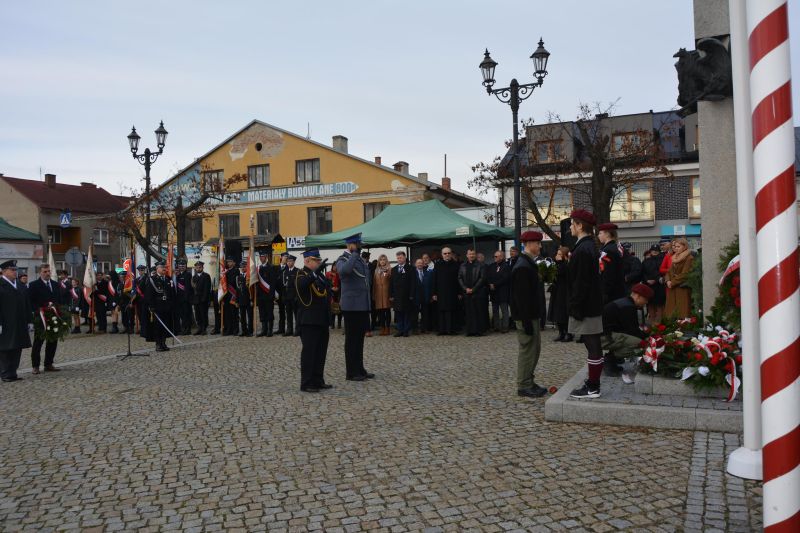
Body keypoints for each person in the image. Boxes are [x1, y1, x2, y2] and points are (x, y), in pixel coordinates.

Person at [567, 209, 605, 399]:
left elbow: (581, 282)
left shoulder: (583, 249)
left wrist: (575, 306)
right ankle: (593, 384)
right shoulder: (588, 246)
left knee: (592, 344)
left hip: (587, 305)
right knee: (593, 344)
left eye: (572, 223)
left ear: (580, 225)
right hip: (591, 303)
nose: (570, 227)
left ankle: (593, 387)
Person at [510, 231, 547, 397]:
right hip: (526, 316)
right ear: (529, 244)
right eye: (538, 243)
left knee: (534, 350)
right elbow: (521, 298)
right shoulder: (523, 266)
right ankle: (524, 385)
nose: (540, 246)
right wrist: (526, 322)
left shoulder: (527, 263)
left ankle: (529, 381)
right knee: (528, 351)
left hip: (531, 315)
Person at [336, 233, 374, 382]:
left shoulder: (358, 259)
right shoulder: (342, 259)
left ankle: (359, 368)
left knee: (359, 339)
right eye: (357, 245)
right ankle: (351, 372)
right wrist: (353, 254)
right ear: (350, 245)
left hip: (362, 305)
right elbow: (344, 271)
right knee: (352, 340)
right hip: (351, 306)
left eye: (359, 245)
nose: (359, 247)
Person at [295, 249, 332, 392]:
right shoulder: (301, 274)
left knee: (320, 352)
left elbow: (326, 291)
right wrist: (315, 273)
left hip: (321, 319)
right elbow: (302, 285)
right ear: (307, 261)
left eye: (319, 261)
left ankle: (318, 380)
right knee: (309, 353)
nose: (318, 263)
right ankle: (306, 383)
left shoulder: (319, 276)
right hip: (309, 321)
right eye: (316, 261)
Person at [602, 283, 653, 377]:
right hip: (603, 337)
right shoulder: (628, 307)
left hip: (604, 335)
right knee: (639, 344)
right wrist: (649, 338)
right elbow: (633, 332)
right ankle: (609, 360)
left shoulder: (625, 302)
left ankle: (612, 359)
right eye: (645, 299)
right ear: (637, 296)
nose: (646, 302)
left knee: (633, 340)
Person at [27, 263, 65, 374]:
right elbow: (30, 301)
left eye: (49, 271)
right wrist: (39, 310)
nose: (48, 273)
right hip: (41, 318)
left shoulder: (55, 284)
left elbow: (59, 300)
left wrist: (59, 310)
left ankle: (48, 364)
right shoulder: (34, 285)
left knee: (52, 341)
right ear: (40, 272)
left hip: (54, 316)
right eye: (45, 271)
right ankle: (35, 366)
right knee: (38, 342)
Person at [0, 260, 32, 382]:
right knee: (5, 348)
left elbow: (27, 303)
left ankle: (13, 372)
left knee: (17, 347)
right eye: (12, 270)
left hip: (19, 323)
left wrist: (29, 320)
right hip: (5, 323)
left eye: (15, 270)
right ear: (4, 271)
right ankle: (5, 374)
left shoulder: (20, 285)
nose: (15, 272)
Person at [144, 261, 175, 352]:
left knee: (166, 325)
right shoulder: (152, 279)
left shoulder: (168, 279)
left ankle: (163, 343)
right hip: (157, 306)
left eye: (164, 267)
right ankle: (158, 344)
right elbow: (149, 294)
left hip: (167, 306)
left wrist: (171, 304)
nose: (164, 269)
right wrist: (151, 306)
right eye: (162, 267)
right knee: (158, 326)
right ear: (157, 269)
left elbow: (172, 293)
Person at [432, 247, 461, 335]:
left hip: (453, 292)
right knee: (441, 310)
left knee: (451, 311)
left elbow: (459, 279)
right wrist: (434, 293)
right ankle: (442, 330)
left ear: (451, 254)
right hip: (441, 292)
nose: (447, 255)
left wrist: (459, 292)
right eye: (445, 253)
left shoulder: (456, 264)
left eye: (448, 253)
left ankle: (451, 330)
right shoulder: (437, 264)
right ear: (442, 255)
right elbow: (434, 279)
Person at [664, 238, 694, 318]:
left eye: (678, 246)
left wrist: (672, 282)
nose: (676, 248)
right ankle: (672, 324)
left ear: (684, 247)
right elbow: (669, 271)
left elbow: (685, 274)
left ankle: (682, 324)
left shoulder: (689, 258)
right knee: (671, 312)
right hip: (672, 287)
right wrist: (667, 280)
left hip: (682, 287)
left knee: (682, 311)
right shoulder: (674, 257)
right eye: (675, 246)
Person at [458, 248, 485, 337]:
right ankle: (469, 331)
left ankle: (478, 331)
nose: (471, 255)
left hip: (477, 292)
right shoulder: (463, 265)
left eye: (473, 254)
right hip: (466, 293)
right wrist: (465, 288)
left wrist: (474, 289)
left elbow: (482, 278)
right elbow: (459, 278)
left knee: (477, 312)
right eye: (470, 254)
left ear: (475, 255)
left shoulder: (480, 265)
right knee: (468, 312)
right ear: (467, 255)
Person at [597, 223, 626, 304]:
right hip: (617, 290)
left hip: (611, 293)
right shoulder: (615, 247)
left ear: (607, 234)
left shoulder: (608, 250)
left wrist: (605, 292)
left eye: (600, 233)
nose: (598, 236)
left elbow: (608, 273)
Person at [548, 246, 572, 342]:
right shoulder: (556, 264)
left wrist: (560, 263)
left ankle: (568, 333)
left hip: (564, 291)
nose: (557, 256)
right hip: (556, 291)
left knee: (563, 313)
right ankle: (561, 332)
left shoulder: (566, 265)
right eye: (557, 254)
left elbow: (562, 273)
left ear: (564, 256)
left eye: (559, 254)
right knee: (556, 312)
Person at [486, 250, 511, 333]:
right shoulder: (491, 266)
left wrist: (495, 284)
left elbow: (505, 278)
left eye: (496, 256)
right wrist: (490, 284)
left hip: (503, 292)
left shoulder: (506, 266)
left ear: (502, 257)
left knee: (504, 311)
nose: (495, 258)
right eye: (494, 256)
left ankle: (505, 327)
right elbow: (488, 276)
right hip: (494, 292)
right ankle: (496, 326)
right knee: (495, 310)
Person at [390, 251, 414, 337]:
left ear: (405, 258)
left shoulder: (411, 268)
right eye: (398, 258)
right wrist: (391, 295)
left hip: (407, 295)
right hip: (397, 296)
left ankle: (406, 330)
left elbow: (413, 283)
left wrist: (412, 294)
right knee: (398, 313)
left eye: (401, 258)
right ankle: (400, 330)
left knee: (407, 313)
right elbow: (391, 283)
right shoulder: (394, 269)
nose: (399, 259)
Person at [641, 244, 666, 324]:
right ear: (650, 251)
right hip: (649, 286)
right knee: (650, 304)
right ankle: (652, 324)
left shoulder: (663, 260)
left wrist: (656, 280)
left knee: (659, 305)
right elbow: (642, 272)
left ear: (659, 251)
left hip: (659, 286)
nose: (654, 252)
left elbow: (663, 272)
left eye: (656, 251)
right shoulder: (646, 261)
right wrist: (646, 280)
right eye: (653, 250)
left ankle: (660, 323)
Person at [255, 250, 278, 337]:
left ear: (266, 257)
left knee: (269, 313)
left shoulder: (271, 267)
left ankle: (270, 330)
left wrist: (271, 295)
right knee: (262, 313)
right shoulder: (258, 268)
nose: (261, 258)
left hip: (268, 294)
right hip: (260, 295)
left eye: (263, 257)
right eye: (260, 257)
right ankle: (264, 330)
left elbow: (273, 282)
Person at [411, 258, 434, 333]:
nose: (420, 264)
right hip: (415, 296)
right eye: (418, 263)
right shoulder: (412, 273)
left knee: (425, 314)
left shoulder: (428, 273)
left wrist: (431, 296)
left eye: (421, 263)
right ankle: (415, 329)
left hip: (425, 296)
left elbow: (431, 285)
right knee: (415, 314)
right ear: (415, 264)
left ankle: (424, 328)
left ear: (423, 264)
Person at [372, 254, 392, 336]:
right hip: (378, 293)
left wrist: (391, 294)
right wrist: (374, 294)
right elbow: (374, 283)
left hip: (387, 293)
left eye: (384, 259)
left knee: (387, 311)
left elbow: (391, 282)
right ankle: (382, 327)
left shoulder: (389, 269)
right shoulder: (376, 270)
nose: (382, 261)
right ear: (379, 261)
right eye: (381, 260)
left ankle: (388, 328)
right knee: (380, 312)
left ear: (386, 260)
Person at [174, 259, 194, 335]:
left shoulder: (188, 274)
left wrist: (186, 298)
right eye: (180, 265)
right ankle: (183, 328)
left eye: (183, 265)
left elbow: (188, 288)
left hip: (186, 299)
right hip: (179, 299)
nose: (181, 267)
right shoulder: (178, 275)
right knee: (181, 314)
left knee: (186, 314)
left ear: (185, 266)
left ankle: (187, 329)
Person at [191, 261, 211, 335]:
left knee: (203, 314)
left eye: (200, 267)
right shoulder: (194, 277)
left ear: (202, 268)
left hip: (203, 299)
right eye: (197, 267)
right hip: (196, 299)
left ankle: (204, 329)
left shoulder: (206, 276)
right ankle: (199, 328)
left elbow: (207, 288)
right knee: (197, 315)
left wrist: (204, 298)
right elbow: (193, 289)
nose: (198, 268)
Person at [281, 255, 299, 336]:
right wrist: (283, 296)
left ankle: (297, 329)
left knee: (296, 314)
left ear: (294, 262)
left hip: (294, 296)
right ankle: (289, 329)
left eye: (290, 261)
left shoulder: (297, 271)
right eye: (288, 261)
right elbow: (284, 286)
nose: (289, 263)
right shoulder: (285, 272)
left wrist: (297, 296)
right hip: (287, 297)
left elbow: (298, 286)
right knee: (288, 314)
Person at [222, 258, 240, 336]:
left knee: (234, 314)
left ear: (234, 263)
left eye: (230, 262)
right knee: (227, 314)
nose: (229, 263)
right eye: (228, 262)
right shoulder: (225, 271)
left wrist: (225, 277)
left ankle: (235, 330)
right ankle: (228, 329)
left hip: (233, 295)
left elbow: (233, 281)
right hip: (226, 296)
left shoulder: (236, 271)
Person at [238, 260, 253, 337]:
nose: (243, 268)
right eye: (241, 267)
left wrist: (252, 299)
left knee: (250, 316)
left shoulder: (250, 276)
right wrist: (237, 300)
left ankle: (250, 331)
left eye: (244, 267)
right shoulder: (238, 277)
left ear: (247, 267)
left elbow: (252, 289)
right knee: (242, 316)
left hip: (248, 299)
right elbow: (237, 290)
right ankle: (244, 330)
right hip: (241, 299)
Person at [326, 262, 342, 330]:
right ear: (332, 266)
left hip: (339, 293)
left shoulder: (340, 274)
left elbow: (342, 284)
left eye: (336, 266)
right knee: (332, 309)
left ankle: (339, 324)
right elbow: (326, 284)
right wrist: (331, 288)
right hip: (331, 293)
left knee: (339, 309)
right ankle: (332, 324)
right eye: (334, 266)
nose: (335, 267)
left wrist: (338, 288)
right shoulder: (328, 274)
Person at [275, 252, 289, 334]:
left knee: (289, 311)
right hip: (279, 294)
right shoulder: (276, 268)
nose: (286, 258)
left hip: (287, 294)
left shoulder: (288, 268)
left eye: (287, 257)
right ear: (281, 257)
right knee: (281, 311)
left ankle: (289, 329)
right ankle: (281, 328)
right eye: (284, 257)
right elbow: (274, 281)